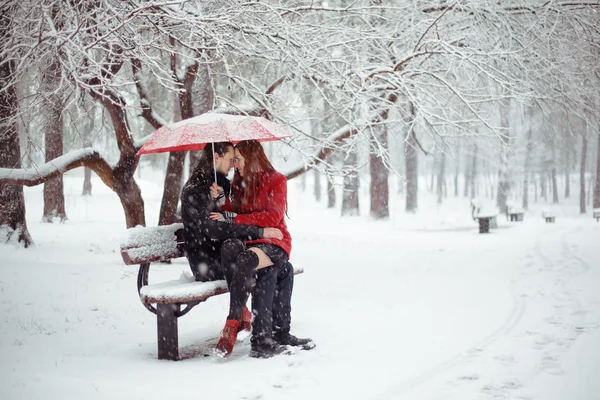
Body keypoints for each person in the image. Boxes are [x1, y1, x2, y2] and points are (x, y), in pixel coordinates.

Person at [210, 140, 314, 358]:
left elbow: (273, 217)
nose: (235, 164)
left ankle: (239, 324)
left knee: (249, 260)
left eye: (238, 158)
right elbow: (237, 212)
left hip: (275, 241)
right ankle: (269, 337)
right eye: (234, 159)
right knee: (277, 271)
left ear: (252, 157)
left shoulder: (276, 180)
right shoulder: (239, 181)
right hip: (252, 240)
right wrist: (222, 201)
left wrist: (234, 217)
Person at [180, 142, 283, 338]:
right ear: (216, 157)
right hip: (206, 262)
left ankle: (266, 328)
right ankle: (247, 322)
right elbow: (213, 229)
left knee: (271, 266)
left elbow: (230, 215)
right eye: (230, 159)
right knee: (253, 264)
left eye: (236, 160)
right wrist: (259, 233)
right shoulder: (195, 189)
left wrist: (222, 201)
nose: (233, 164)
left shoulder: (222, 184)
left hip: (225, 254)